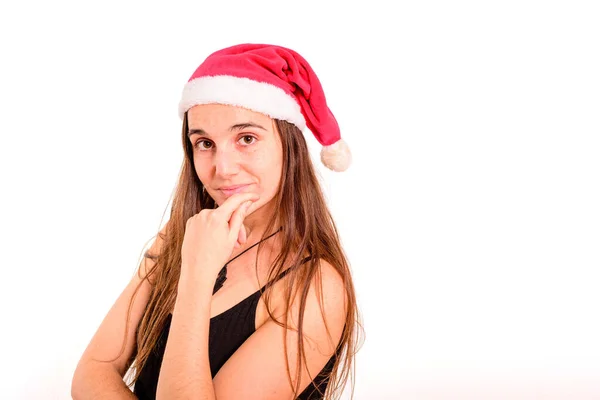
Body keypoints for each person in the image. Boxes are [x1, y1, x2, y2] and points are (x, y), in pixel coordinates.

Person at [72, 43, 362, 400]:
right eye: (205, 143)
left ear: (291, 146)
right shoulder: (181, 236)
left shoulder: (315, 287)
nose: (222, 169)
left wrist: (196, 274)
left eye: (246, 138)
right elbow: (93, 371)